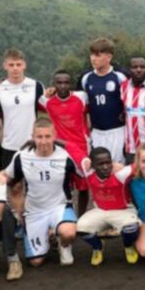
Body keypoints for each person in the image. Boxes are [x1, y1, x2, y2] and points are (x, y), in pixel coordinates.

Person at [0, 118, 79, 280]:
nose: (43, 141)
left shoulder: (66, 156)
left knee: (68, 232)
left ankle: (64, 245)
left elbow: (87, 171)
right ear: (32, 137)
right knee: (35, 262)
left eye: (48, 136)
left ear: (54, 136)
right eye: (39, 137)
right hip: (34, 211)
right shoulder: (21, 157)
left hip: (59, 207)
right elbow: (6, 176)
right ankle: (49, 237)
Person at [76, 147, 140, 266]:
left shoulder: (120, 174)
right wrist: (54, 140)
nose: (105, 167)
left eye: (108, 162)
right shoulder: (88, 172)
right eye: (100, 164)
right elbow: (73, 149)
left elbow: (144, 162)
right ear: (92, 165)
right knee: (80, 227)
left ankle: (128, 246)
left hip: (123, 211)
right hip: (100, 211)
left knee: (131, 228)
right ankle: (98, 247)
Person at [38, 70, 91, 215]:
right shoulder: (47, 101)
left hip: (81, 148)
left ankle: (82, 218)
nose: (63, 86)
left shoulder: (82, 97)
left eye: (66, 82)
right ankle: (66, 216)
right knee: (63, 184)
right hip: (60, 149)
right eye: (59, 83)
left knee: (83, 187)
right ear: (54, 84)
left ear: (71, 84)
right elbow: (32, 102)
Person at [0, 48, 44, 168]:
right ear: (5, 66)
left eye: (18, 64)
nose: (15, 68)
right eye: (11, 65)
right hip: (8, 146)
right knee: (10, 185)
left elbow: (49, 109)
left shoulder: (36, 86)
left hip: (32, 144)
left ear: (24, 65)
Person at [80, 37, 128, 164]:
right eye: (92, 54)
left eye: (98, 55)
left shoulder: (120, 77)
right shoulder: (86, 78)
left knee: (117, 168)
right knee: (97, 168)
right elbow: (81, 101)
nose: (93, 58)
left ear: (109, 57)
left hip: (117, 132)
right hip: (96, 133)